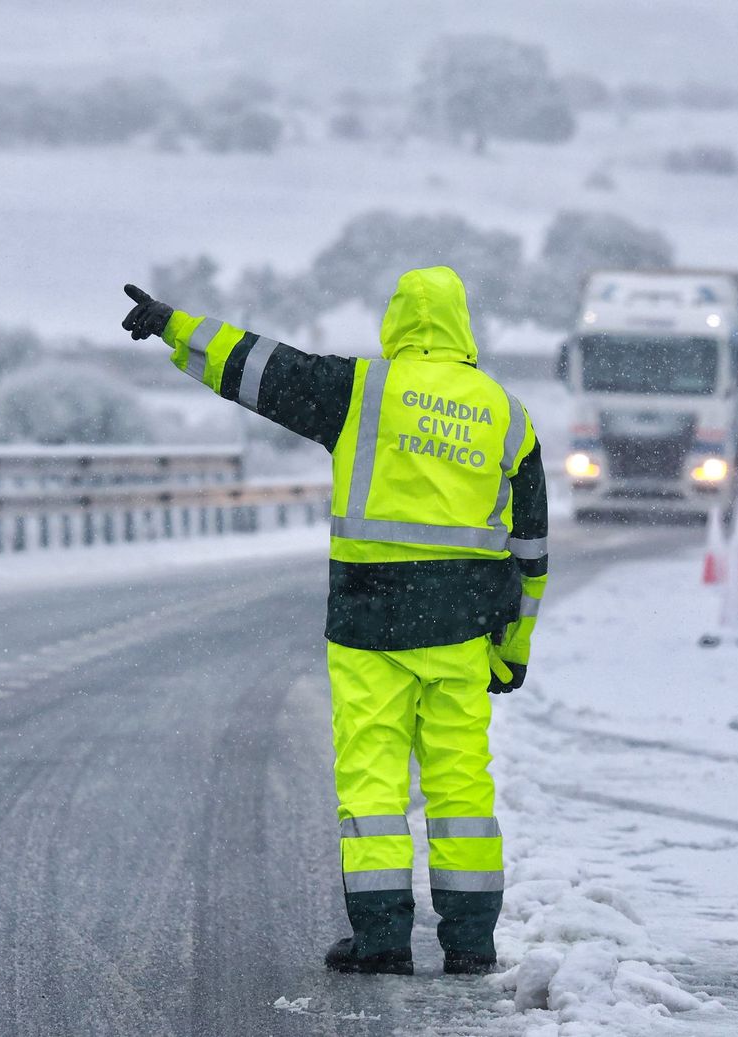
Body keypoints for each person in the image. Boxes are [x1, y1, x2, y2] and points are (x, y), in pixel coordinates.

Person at [119, 266, 548, 976]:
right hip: (462, 630)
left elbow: (258, 367)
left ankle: (381, 938)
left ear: (399, 322)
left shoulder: (363, 389)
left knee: (372, 781)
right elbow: (531, 549)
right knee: (461, 786)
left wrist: (172, 324)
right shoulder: (507, 411)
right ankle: (470, 942)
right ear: (462, 324)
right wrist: (513, 644)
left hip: (369, 623)